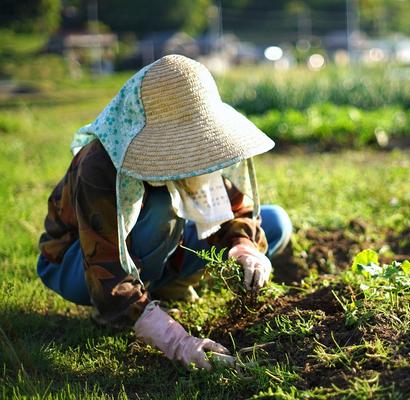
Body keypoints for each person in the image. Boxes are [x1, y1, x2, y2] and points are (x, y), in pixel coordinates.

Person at [36, 55, 292, 370]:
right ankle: (128, 309)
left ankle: (166, 285)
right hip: (77, 263)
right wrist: (174, 339)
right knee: (162, 210)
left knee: (276, 222)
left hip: (159, 245)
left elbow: (234, 208)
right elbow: (103, 264)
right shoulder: (99, 165)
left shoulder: (205, 145)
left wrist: (243, 247)